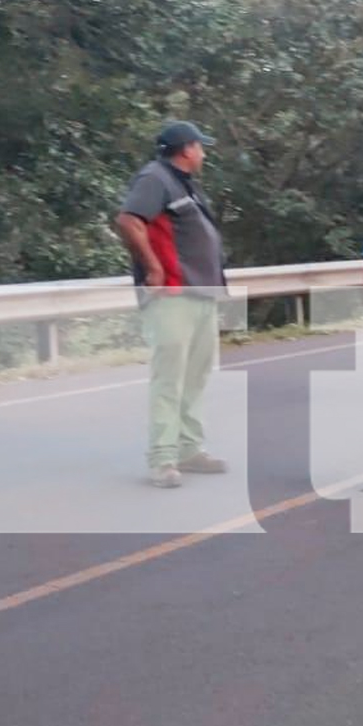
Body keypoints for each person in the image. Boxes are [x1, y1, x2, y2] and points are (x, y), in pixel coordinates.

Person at [114, 121, 230, 489]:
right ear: (186, 149)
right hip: (173, 295)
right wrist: (153, 268)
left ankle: (189, 449)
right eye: (201, 147)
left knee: (196, 375)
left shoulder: (184, 185)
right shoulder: (154, 179)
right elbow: (128, 220)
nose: (204, 154)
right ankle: (162, 458)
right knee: (170, 378)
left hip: (200, 292)